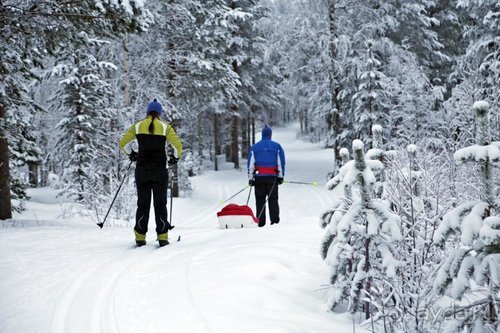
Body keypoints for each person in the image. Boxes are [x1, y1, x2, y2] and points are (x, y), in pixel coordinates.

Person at [119, 99, 182, 247]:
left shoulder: (138, 126)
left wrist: (131, 154)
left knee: (143, 204)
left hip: (142, 171)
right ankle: (162, 237)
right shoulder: (165, 127)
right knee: (160, 205)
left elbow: (122, 143)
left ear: (147, 112)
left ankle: (140, 237)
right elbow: (178, 146)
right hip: (160, 171)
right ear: (159, 113)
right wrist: (175, 158)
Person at [247, 125, 285, 227]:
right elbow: (280, 162)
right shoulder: (277, 146)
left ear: (262, 135)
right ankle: (275, 221)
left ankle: (260, 222)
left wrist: (250, 178)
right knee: (273, 199)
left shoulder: (254, 147)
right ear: (270, 135)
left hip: (259, 178)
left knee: (260, 200)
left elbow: (251, 164)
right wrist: (281, 176)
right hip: (272, 177)